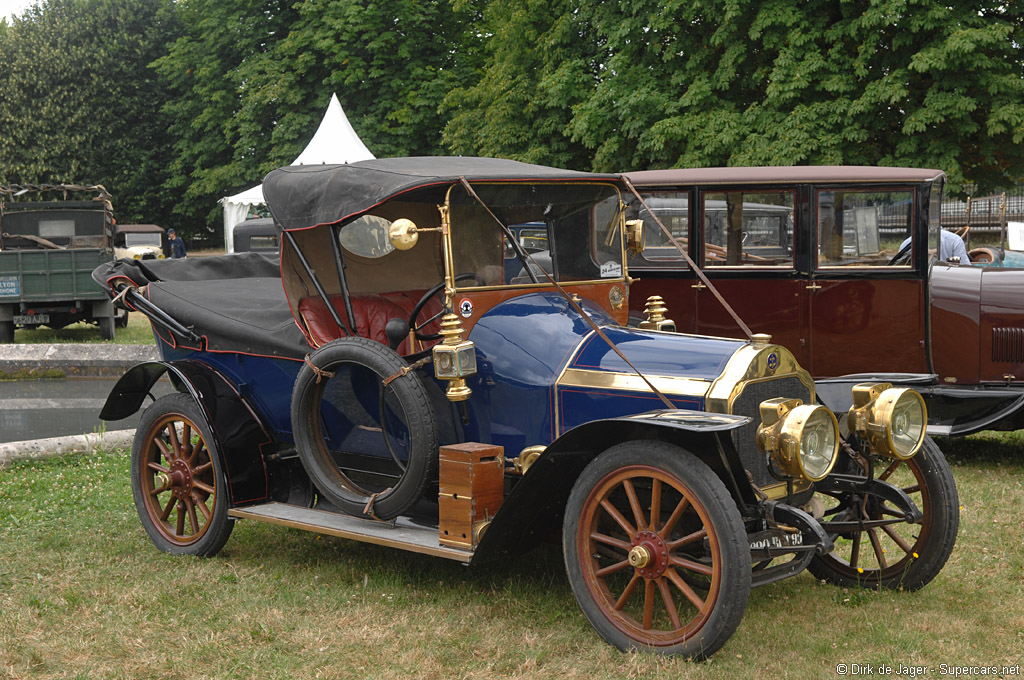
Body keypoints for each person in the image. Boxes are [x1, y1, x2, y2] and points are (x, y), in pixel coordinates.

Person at [897, 229, 969, 264]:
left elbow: (901, 267)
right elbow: (965, 267)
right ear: (941, 218)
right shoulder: (955, 240)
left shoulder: (907, 243)